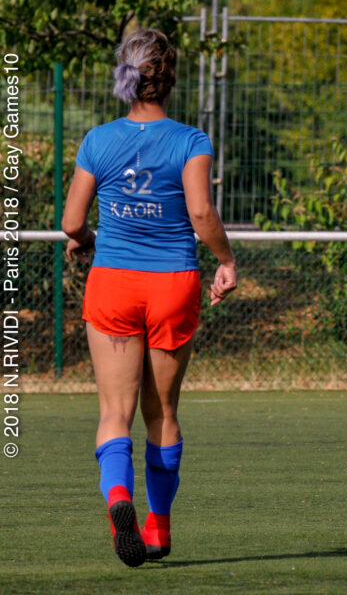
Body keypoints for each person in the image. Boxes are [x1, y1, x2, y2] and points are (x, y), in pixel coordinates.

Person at [62, 29, 238, 566]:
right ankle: (157, 529)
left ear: (125, 77)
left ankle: (119, 500)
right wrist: (227, 262)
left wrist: (87, 241)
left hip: (113, 281)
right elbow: (202, 214)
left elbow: (71, 222)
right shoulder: (191, 140)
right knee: (161, 412)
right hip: (173, 284)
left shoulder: (97, 139)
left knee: (114, 411)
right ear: (171, 80)